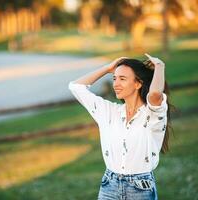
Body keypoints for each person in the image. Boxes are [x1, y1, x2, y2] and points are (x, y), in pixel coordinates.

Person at [68, 54, 172, 200]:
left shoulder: (153, 114)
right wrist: (107, 68)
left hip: (140, 188)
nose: (116, 84)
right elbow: (75, 87)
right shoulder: (109, 112)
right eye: (114, 78)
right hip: (109, 185)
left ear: (138, 84)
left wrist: (160, 67)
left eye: (122, 79)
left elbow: (155, 94)